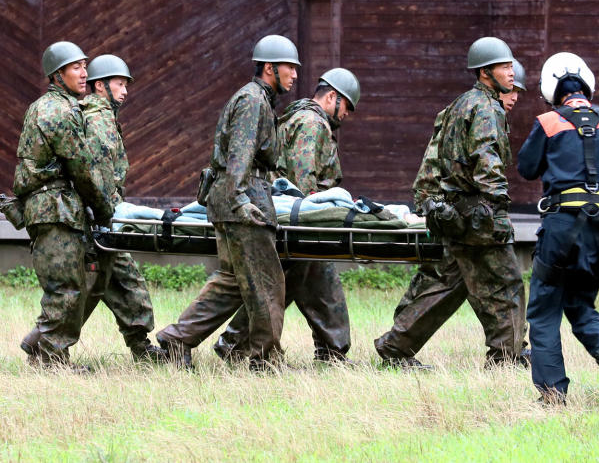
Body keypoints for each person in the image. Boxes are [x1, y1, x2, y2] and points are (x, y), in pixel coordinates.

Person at [374, 38, 527, 369]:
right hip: (479, 214)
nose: (512, 73)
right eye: (505, 66)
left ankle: (395, 348)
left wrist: (432, 201)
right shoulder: (487, 109)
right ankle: (507, 359)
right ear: (486, 72)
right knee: (507, 286)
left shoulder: (459, 105)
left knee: (446, 283)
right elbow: (487, 162)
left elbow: (434, 158)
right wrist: (498, 208)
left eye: (511, 66)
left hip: (453, 213)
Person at [156, 35, 299, 370]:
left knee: (232, 281)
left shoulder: (255, 99)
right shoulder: (253, 101)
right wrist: (240, 202)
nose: (294, 75)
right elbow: (240, 156)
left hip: (233, 199)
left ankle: (178, 339)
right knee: (267, 281)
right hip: (243, 201)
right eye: (289, 67)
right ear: (269, 68)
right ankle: (264, 360)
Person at [517, 52, 599, 406]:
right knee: (579, 303)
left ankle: (553, 394)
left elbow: (526, 168)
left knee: (544, 310)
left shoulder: (549, 122)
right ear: (588, 85)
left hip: (561, 226)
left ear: (550, 90)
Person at [19, 54, 166, 363]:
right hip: (75, 214)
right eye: (119, 84)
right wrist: (104, 211)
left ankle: (139, 347)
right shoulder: (87, 115)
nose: (125, 91)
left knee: (113, 281)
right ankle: (46, 353)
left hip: (82, 211)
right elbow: (88, 168)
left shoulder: (77, 110)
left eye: (85, 67)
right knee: (75, 287)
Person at [213, 68, 360, 364]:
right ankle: (331, 353)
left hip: (289, 216)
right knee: (317, 283)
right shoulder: (311, 122)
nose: (347, 115)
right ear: (332, 97)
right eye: (347, 106)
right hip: (301, 219)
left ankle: (235, 342)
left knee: (289, 283)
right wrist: (310, 218)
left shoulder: (302, 118)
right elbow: (302, 178)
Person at [13, 42, 115, 369]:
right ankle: (51, 360)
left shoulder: (44, 106)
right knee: (66, 288)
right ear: (58, 74)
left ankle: (43, 352)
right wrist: (103, 208)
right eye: (76, 67)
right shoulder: (60, 111)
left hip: (49, 206)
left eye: (85, 66)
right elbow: (81, 168)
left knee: (68, 285)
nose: (84, 73)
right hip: (54, 208)